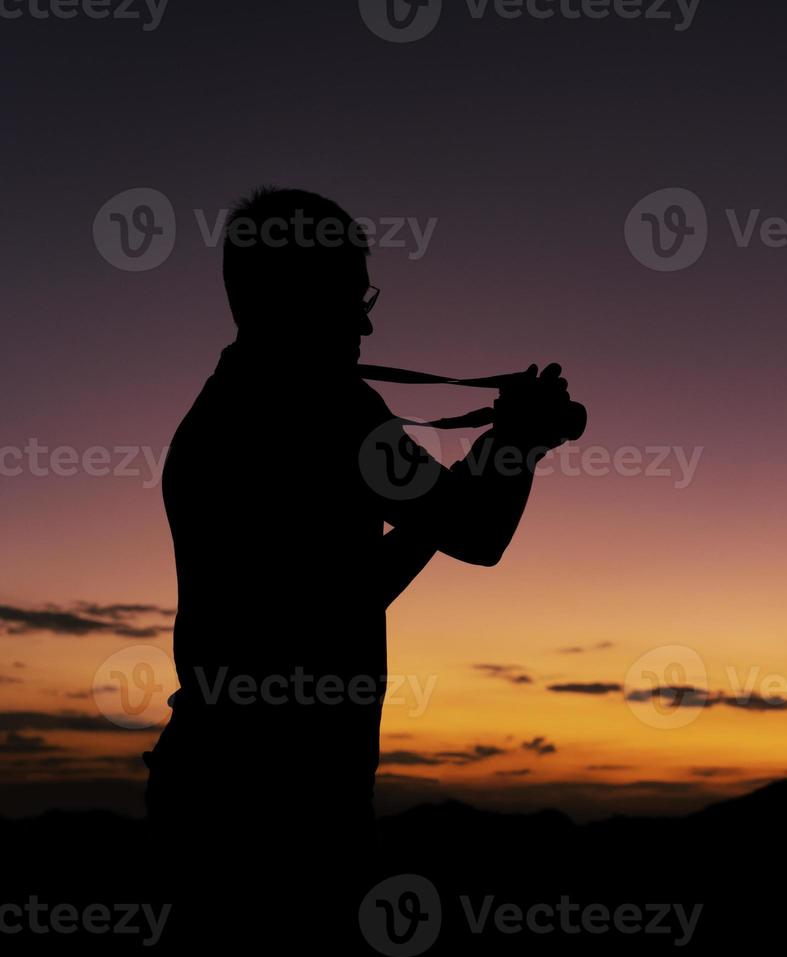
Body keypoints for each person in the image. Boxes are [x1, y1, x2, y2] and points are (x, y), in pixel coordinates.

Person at [143, 187, 573, 908]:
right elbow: (475, 531)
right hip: (291, 811)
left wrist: (488, 461)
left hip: (216, 787)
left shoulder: (221, 408)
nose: (366, 323)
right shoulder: (333, 409)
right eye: (353, 293)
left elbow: (338, 596)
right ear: (301, 292)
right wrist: (517, 445)